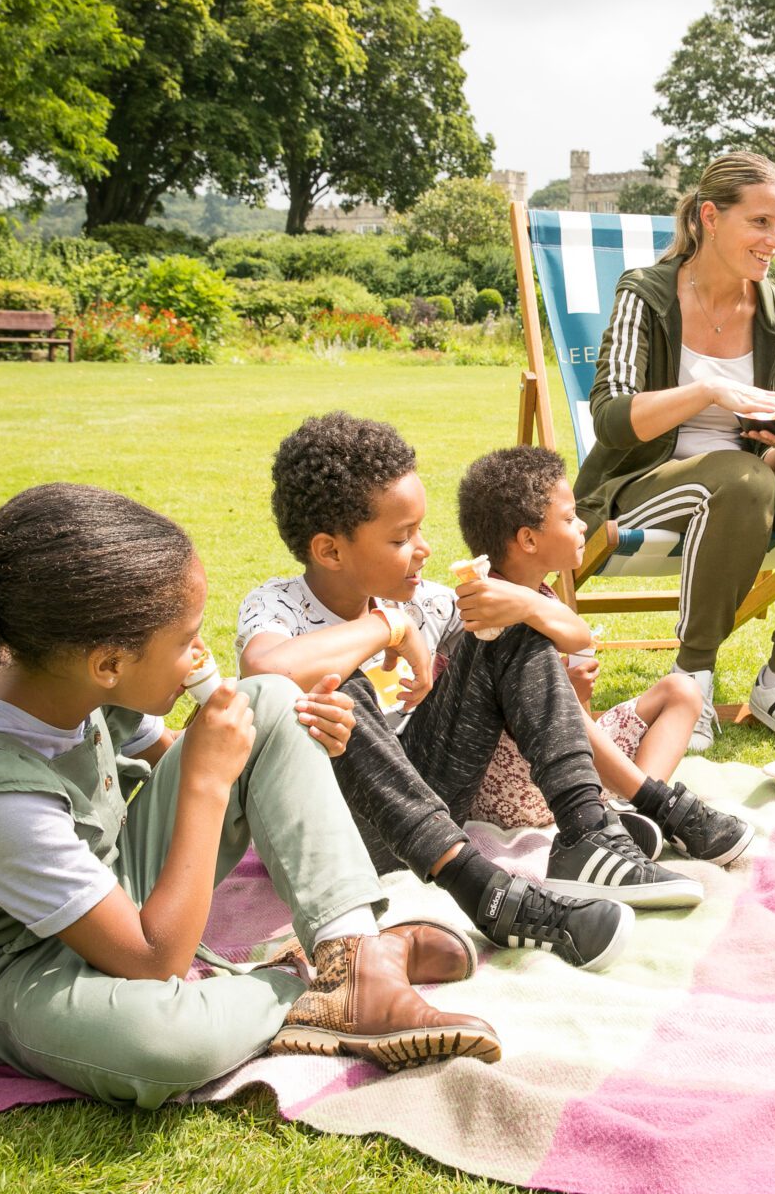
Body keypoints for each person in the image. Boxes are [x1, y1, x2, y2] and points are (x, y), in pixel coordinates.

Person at [0, 483, 498, 1110]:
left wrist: (276, 753)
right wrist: (208, 781)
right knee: (166, 1043)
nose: (200, 656)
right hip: (19, 972)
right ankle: (313, 981)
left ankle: (351, 952)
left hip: (112, 885)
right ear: (108, 664)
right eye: (186, 639)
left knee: (271, 701)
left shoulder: (53, 663)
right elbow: (154, 959)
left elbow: (185, 750)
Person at [238, 412, 694, 964]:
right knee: (339, 692)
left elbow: (573, 636)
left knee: (508, 633)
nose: (425, 548)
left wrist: (525, 604)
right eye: (403, 537)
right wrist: (388, 627)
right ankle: (488, 892)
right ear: (330, 551)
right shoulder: (276, 606)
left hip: (429, 805)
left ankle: (586, 832)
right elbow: (267, 673)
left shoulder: (426, 599)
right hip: (335, 830)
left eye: (421, 530)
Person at [574, 150, 775, 753]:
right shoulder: (648, 295)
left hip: (746, 486)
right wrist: (709, 390)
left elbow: (770, 456)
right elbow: (609, 419)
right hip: (639, 484)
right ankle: (692, 679)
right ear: (710, 217)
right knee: (741, 479)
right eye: (760, 222)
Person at [455, 445, 753, 867]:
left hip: (569, 764)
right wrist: (568, 701)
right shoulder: (489, 607)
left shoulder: (540, 593)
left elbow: (576, 718)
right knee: (581, 718)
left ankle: (633, 814)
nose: (582, 527)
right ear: (527, 539)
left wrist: (573, 695)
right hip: (516, 789)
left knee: (682, 691)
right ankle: (656, 803)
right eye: (569, 518)